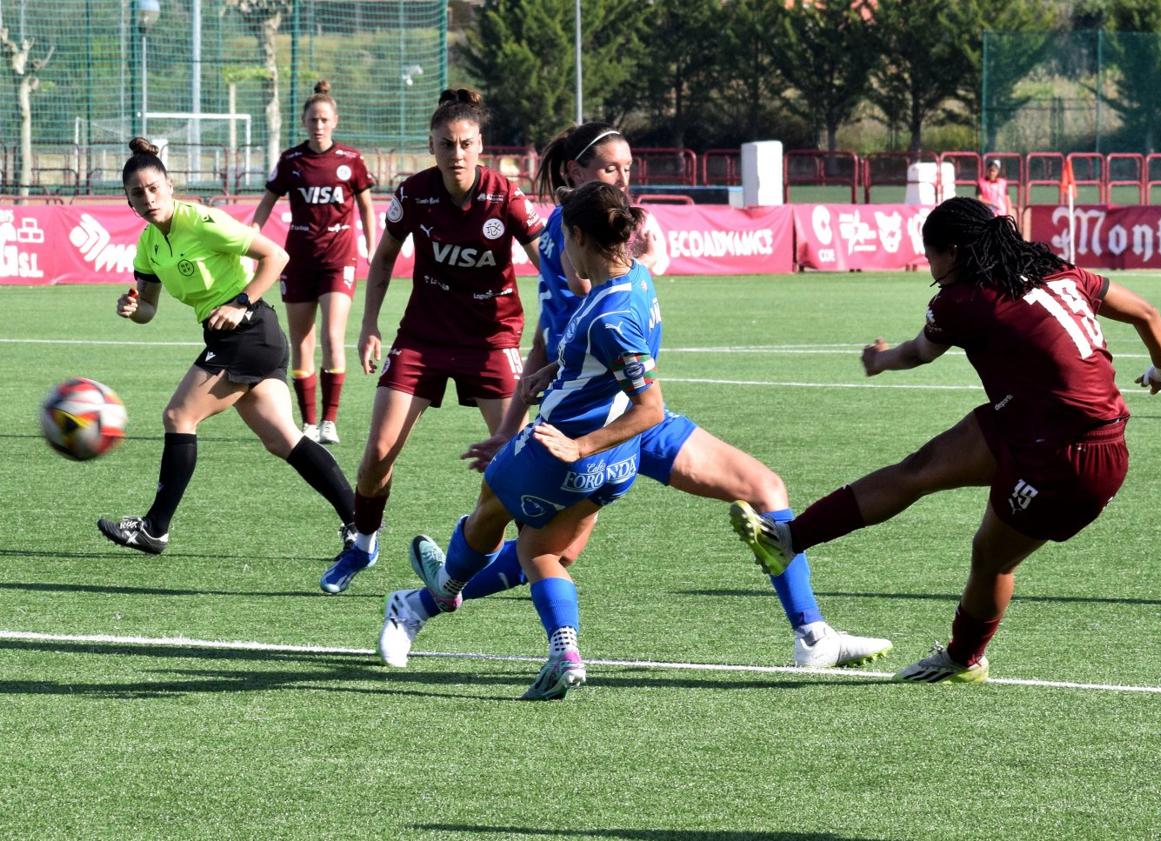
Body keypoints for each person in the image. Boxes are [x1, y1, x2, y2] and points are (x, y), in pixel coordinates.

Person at [391, 121, 892, 669]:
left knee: (764, 487)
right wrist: (516, 427)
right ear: (578, 173)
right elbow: (578, 317)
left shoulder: (603, 232)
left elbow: (572, 332)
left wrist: (644, 265)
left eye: (628, 168)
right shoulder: (570, 234)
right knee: (549, 552)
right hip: (596, 420)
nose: (624, 179)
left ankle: (812, 635)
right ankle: (422, 602)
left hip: (636, 414)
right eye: (611, 169)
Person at [731, 196, 1161, 683]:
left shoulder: (963, 300)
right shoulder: (1062, 272)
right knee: (918, 469)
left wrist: (878, 361)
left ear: (956, 252)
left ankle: (964, 659)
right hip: (1031, 422)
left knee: (991, 558)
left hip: (1071, 459)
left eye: (931, 256)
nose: (931, 268)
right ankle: (790, 539)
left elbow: (921, 351)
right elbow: (1146, 313)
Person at [381, 181, 665, 700]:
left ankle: (444, 591)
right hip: (616, 465)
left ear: (578, 236)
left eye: (563, 240)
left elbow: (652, 407)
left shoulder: (609, 315)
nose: (559, 251)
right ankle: (565, 653)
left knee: (490, 500)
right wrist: (558, 369)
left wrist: (578, 446)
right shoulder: (635, 280)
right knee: (539, 553)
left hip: (566, 449)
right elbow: (611, 360)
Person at [318, 88, 543, 594]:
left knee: (519, 458)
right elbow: (382, 260)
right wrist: (369, 324)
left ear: (480, 144)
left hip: (492, 340)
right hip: (422, 338)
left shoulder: (505, 194)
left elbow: (547, 258)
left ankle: (530, 555)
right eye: (446, 144)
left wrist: (573, 293)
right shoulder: (414, 192)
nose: (456, 153)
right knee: (377, 452)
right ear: (432, 146)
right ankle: (363, 543)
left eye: (465, 143)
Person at [98, 138, 358, 559]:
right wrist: (132, 309)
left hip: (249, 332)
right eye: (137, 193)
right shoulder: (148, 243)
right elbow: (148, 307)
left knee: (178, 415)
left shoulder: (201, 221)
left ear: (169, 186)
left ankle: (155, 528)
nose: (147, 199)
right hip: (235, 336)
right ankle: (358, 523)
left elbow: (276, 255)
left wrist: (240, 303)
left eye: (153, 188)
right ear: (128, 200)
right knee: (283, 439)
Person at [251, 80, 376, 447]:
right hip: (299, 260)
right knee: (302, 341)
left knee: (332, 336)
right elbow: (266, 204)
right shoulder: (292, 161)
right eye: (312, 120)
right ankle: (307, 423)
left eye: (324, 119)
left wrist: (372, 245)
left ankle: (329, 421)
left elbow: (367, 207)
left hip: (339, 259)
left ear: (334, 120)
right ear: (304, 122)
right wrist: (250, 241)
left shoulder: (351, 161)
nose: (318, 125)